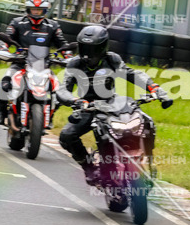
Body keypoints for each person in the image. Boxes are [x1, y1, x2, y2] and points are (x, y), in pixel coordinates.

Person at [55, 25, 172, 185]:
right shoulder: (74, 64)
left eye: (92, 48)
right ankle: (88, 166)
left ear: (102, 47)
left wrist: (154, 88)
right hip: (87, 107)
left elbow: (132, 74)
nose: (88, 53)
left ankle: (148, 161)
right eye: (84, 47)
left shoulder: (112, 60)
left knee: (146, 121)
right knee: (66, 136)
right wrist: (75, 101)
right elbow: (63, 89)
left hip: (112, 105)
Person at [0, 0, 70, 126]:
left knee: (59, 91)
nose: (36, 12)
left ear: (44, 10)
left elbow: (63, 44)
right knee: (3, 85)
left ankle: (50, 115)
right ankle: (1, 112)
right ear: (28, 9)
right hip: (20, 64)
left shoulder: (53, 26)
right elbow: (6, 38)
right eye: (33, 9)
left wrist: (68, 56)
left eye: (39, 10)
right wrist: (3, 48)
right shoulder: (17, 23)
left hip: (43, 66)